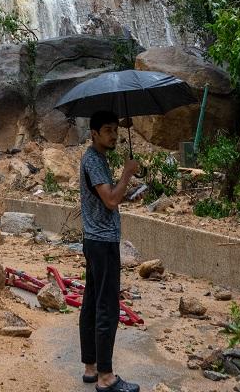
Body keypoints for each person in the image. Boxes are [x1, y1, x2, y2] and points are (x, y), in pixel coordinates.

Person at [78, 111, 141, 392]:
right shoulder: (93, 160)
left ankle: (91, 367)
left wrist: (129, 191)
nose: (114, 135)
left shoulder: (98, 159)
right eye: (107, 130)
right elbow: (111, 200)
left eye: (115, 129)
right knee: (107, 306)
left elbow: (108, 198)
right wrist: (127, 173)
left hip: (96, 240)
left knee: (92, 302)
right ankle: (106, 377)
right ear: (94, 133)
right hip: (102, 243)